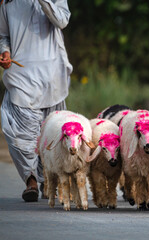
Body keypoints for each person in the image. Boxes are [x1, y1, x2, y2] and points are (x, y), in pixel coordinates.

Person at [0, 0, 72, 202]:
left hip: (53, 76)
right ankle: (30, 179)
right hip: (22, 74)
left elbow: (62, 20)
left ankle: (48, 181)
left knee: (50, 133)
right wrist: (5, 53)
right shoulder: (8, 2)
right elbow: (3, 35)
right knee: (19, 133)